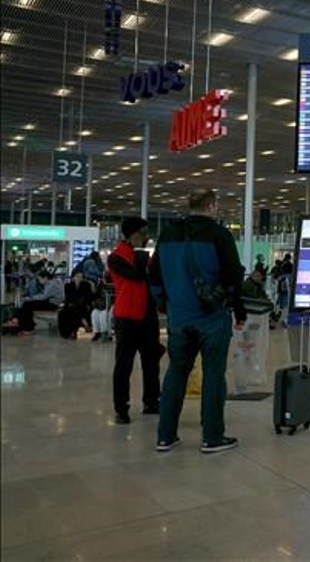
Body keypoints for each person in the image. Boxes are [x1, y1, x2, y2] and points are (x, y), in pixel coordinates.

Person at [150, 189, 247, 453]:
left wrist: (163, 303)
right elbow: (233, 276)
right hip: (212, 317)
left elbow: (154, 275)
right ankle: (212, 437)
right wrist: (238, 309)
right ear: (212, 206)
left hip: (179, 318)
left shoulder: (167, 234)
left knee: (176, 373)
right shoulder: (219, 235)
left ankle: (165, 436)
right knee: (213, 375)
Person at [108, 217, 164, 424]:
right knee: (124, 365)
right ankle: (121, 408)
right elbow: (136, 275)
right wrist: (140, 251)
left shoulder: (146, 257)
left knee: (151, 363)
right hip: (127, 318)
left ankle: (151, 401)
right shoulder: (116, 257)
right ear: (133, 234)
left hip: (147, 316)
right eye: (143, 233)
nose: (147, 237)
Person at [3, 270, 63, 334]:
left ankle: (22, 324)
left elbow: (43, 297)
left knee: (28, 305)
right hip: (50, 303)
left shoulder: (52, 284)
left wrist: (30, 298)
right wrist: (31, 298)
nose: (39, 281)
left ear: (45, 278)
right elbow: (43, 295)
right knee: (27, 305)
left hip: (53, 304)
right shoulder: (51, 283)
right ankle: (18, 321)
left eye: (40, 279)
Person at [58, 270, 96, 339]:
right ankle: (66, 333)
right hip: (71, 305)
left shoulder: (86, 285)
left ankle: (74, 331)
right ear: (73, 277)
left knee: (76, 311)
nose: (79, 278)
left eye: (81, 277)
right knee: (62, 313)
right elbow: (68, 298)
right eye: (77, 276)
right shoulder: (68, 286)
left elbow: (89, 298)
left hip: (83, 305)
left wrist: (93, 289)